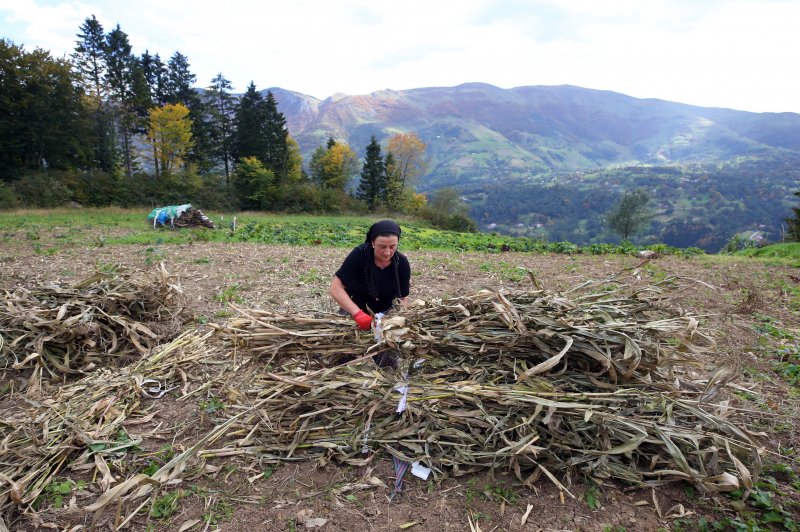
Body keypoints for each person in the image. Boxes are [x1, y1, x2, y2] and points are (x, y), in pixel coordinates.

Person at [330, 219, 411, 330]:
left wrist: (396, 318)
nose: (387, 253)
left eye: (392, 246)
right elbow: (335, 288)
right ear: (372, 242)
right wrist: (357, 314)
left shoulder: (401, 262)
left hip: (385, 316)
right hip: (354, 312)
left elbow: (403, 298)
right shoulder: (360, 254)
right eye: (382, 247)